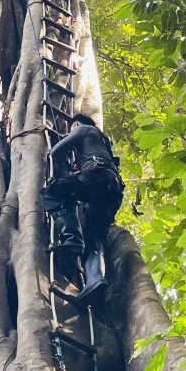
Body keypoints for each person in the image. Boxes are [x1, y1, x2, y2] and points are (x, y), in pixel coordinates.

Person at [41, 114, 124, 298]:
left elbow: (55, 151)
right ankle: (95, 281)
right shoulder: (102, 141)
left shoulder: (83, 129)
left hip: (96, 176)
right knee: (93, 240)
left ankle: (73, 239)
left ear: (77, 124)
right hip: (112, 190)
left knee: (52, 193)